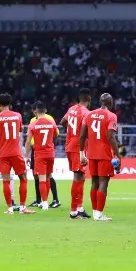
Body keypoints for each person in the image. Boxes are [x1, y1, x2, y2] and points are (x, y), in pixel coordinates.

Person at [78, 93, 121, 221]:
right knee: (103, 182)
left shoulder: (89, 114)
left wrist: (81, 153)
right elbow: (111, 137)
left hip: (91, 154)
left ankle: (95, 212)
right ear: (110, 102)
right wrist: (118, 155)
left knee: (94, 182)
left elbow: (82, 136)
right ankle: (99, 214)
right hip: (104, 154)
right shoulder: (111, 116)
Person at [0, 93, 33, 215]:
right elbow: (20, 130)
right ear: (9, 103)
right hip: (16, 153)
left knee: (6, 180)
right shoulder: (18, 116)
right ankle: (23, 207)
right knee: (23, 178)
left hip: (3, 154)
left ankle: (10, 209)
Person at [60, 88, 92, 219]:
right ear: (89, 100)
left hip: (70, 145)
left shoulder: (71, 109)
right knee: (78, 176)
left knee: (81, 176)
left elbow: (63, 122)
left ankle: (79, 207)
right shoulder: (86, 113)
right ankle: (73, 211)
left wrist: (71, 132)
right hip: (78, 148)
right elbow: (87, 131)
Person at [25, 106, 59, 211]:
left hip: (39, 153)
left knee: (42, 179)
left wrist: (26, 156)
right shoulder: (51, 122)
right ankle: (46, 200)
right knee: (48, 177)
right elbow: (56, 134)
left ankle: (44, 203)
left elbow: (28, 141)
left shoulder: (33, 124)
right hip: (50, 153)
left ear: (36, 112)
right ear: (45, 111)